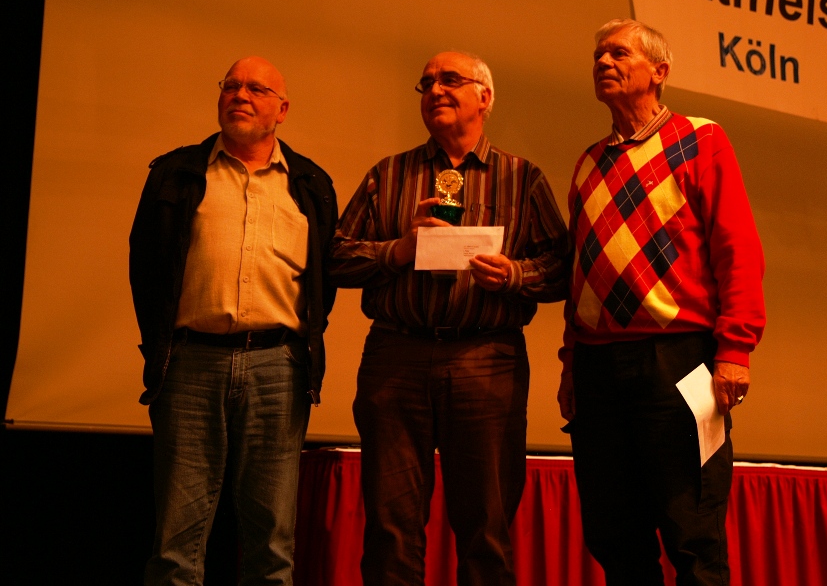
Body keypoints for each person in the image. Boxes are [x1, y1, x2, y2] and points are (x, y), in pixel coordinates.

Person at [329, 51, 569, 586]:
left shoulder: (521, 177)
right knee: (391, 529)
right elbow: (337, 258)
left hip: (487, 358)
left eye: (450, 80)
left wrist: (514, 275)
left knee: (487, 529)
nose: (435, 89)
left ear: (485, 97)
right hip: (396, 357)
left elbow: (561, 268)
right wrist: (399, 249)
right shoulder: (388, 174)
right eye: (427, 83)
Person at [557, 19, 766, 585]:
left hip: (680, 361)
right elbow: (581, 276)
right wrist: (571, 364)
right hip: (598, 369)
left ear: (660, 71)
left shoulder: (702, 138)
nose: (603, 61)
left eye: (618, 53)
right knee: (613, 534)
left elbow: (737, 249)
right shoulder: (587, 163)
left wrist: (735, 350)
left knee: (692, 531)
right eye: (598, 54)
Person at [129, 56, 337, 585]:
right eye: (231, 86)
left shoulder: (311, 183)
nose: (240, 95)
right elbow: (145, 266)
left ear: (282, 109)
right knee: (175, 545)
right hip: (189, 365)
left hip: (278, 368)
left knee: (272, 545)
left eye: (256, 89)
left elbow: (324, 282)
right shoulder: (176, 173)